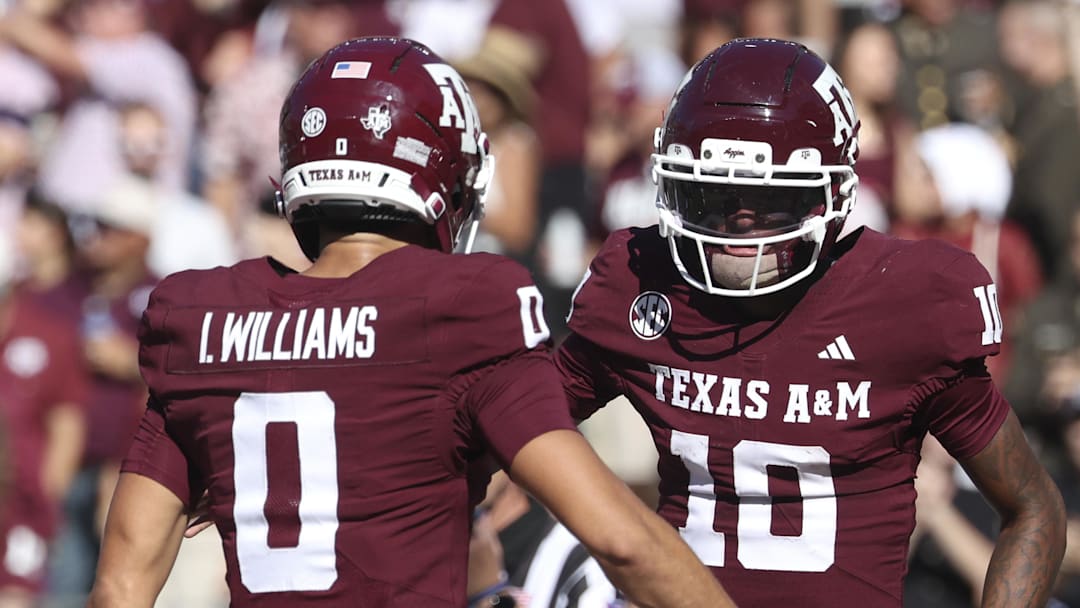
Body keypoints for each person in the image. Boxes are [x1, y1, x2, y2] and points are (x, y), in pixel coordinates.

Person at [85, 37, 736, 608]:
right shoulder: (461, 306)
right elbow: (623, 543)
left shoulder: (199, 319)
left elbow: (120, 588)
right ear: (444, 173)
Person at [554, 38, 1066, 607]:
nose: (739, 231)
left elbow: (1032, 507)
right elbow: (505, 442)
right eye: (714, 199)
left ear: (834, 195)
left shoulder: (905, 302)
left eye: (769, 202)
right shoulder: (643, 281)